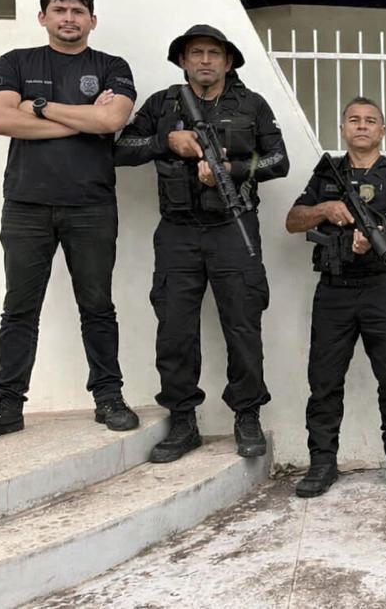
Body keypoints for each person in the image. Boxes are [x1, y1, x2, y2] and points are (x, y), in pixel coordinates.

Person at [0, 0, 139, 446]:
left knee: (97, 307)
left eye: (78, 10)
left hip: (92, 206)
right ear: (43, 17)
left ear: (92, 20)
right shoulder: (15, 62)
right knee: (19, 309)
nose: (69, 18)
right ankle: (7, 405)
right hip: (26, 206)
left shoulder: (112, 67)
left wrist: (38, 107)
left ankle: (109, 397)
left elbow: (111, 121)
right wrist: (83, 122)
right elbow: (0, 120)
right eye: (59, 10)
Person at [113, 24, 288, 463]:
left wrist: (233, 168)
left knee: (243, 325)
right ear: (183, 61)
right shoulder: (162, 104)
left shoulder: (251, 104)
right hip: (177, 232)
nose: (206, 60)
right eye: (196, 53)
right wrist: (166, 142)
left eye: (214, 53)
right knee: (174, 328)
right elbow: (122, 148)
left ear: (228, 62)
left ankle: (246, 415)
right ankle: (183, 420)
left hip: (234, 227)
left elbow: (279, 160)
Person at [285, 97, 386, 496]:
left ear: (382, 130)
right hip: (334, 291)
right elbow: (293, 221)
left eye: (370, 121)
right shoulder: (326, 174)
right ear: (343, 128)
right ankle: (322, 462)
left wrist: (381, 239)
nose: (362, 126)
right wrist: (325, 208)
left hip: (383, 289)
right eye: (354, 120)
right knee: (325, 381)